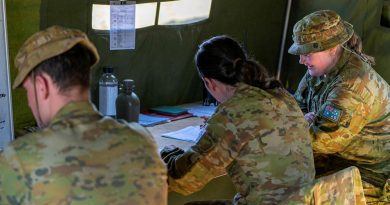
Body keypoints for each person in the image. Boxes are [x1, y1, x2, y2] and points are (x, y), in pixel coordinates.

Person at [0, 25, 167, 204]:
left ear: (43, 86)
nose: (29, 101)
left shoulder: (18, 162)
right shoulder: (142, 141)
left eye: (27, 90)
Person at [160, 35, 315, 205]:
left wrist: (167, 156)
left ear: (209, 83)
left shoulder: (232, 114)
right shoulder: (281, 94)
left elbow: (186, 181)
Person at [288, 10, 390, 204]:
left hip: (369, 178)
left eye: (307, 54)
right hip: (336, 161)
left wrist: (301, 124)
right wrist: (303, 121)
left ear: (333, 48)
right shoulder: (319, 70)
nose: (301, 60)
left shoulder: (353, 85)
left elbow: (318, 142)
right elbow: (294, 107)